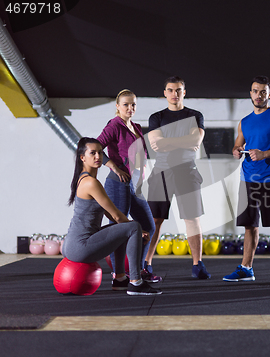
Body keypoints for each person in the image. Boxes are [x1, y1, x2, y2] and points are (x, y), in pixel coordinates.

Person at [63, 137, 161, 296]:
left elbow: (111, 214)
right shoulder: (91, 182)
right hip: (80, 247)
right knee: (134, 226)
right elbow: (116, 215)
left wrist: (128, 227)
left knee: (123, 228)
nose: (98, 157)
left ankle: (120, 279)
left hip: (72, 245)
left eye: (100, 153)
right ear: (82, 157)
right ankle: (136, 282)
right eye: (92, 153)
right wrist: (137, 231)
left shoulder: (84, 179)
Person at [223, 75, 270, 284]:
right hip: (247, 179)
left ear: (269, 95)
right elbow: (238, 145)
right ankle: (246, 268)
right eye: (255, 91)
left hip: (269, 179)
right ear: (250, 94)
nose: (258, 95)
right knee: (250, 226)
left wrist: (264, 154)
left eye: (263, 91)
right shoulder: (244, 122)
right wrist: (236, 151)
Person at [145, 76, 211, 279]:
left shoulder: (195, 115)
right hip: (162, 172)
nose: (175, 94)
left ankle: (197, 264)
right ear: (165, 93)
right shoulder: (156, 117)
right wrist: (184, 141)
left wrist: (168, 141)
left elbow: (196, 140)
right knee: (154, 220)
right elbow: (156, 143)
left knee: (191, 218)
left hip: (187, 172)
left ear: (184, 92)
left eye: (179, 90)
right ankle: (145, 263)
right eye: (171, 90)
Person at [97, 90, 161, 283]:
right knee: (119, 229)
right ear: (117, 106)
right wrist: (115, 168)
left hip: (135, 185)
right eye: (126, 104)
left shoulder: (136, 126)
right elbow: (96, 147)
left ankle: (140, 270)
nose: (130, 108)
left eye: (133, 104)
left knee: (148, 226)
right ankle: (118, 275)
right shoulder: (114, 125)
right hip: (118, 184)